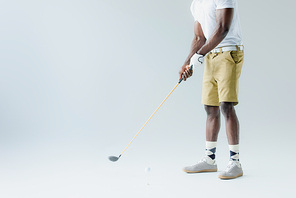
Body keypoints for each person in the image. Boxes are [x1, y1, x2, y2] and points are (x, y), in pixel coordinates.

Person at [179, 0, 244, 179]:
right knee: (210, 107)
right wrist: (187, 62)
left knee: (226, 106)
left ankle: (235, 163)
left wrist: (200, 54)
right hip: (210, 54)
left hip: (229, 52)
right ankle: (209, 160)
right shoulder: (196, 4)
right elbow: (200, 38)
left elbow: (223, 28)